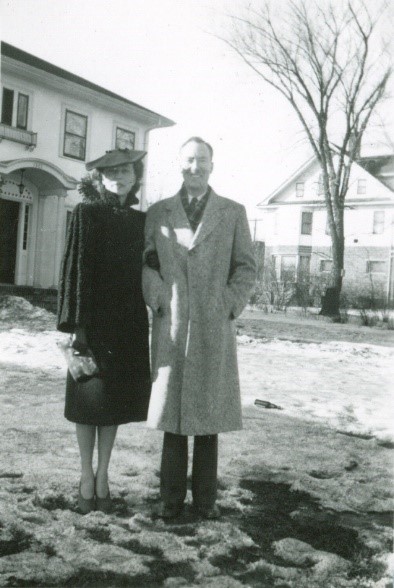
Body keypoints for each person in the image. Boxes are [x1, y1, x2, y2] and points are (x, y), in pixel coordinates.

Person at [142, 137, 255, 519]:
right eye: (189, 160)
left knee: (209, 418)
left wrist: (228, 303)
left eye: (202, 160)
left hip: (212, 326)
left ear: (212, 165)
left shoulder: (232, 212)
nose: (195, 167)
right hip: (172, 324)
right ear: (179, 164)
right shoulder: (158, 211)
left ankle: (206, 502)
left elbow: (246, 267)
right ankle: (170, 501)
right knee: (173, 418)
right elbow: (148, 262)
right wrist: (157, 297)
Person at [57, 148, 151, 514]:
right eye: (111, 172)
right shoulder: (86, 213)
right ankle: (84, 476)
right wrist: (76, 326)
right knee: (87, 404)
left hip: (126, 323)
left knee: (111, 405)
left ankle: (104, 477)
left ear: (135, 176)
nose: (119, 177)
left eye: (126, 170)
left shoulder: (141, 220)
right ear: (100, 178)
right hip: (91, 322)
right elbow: (73, 270)